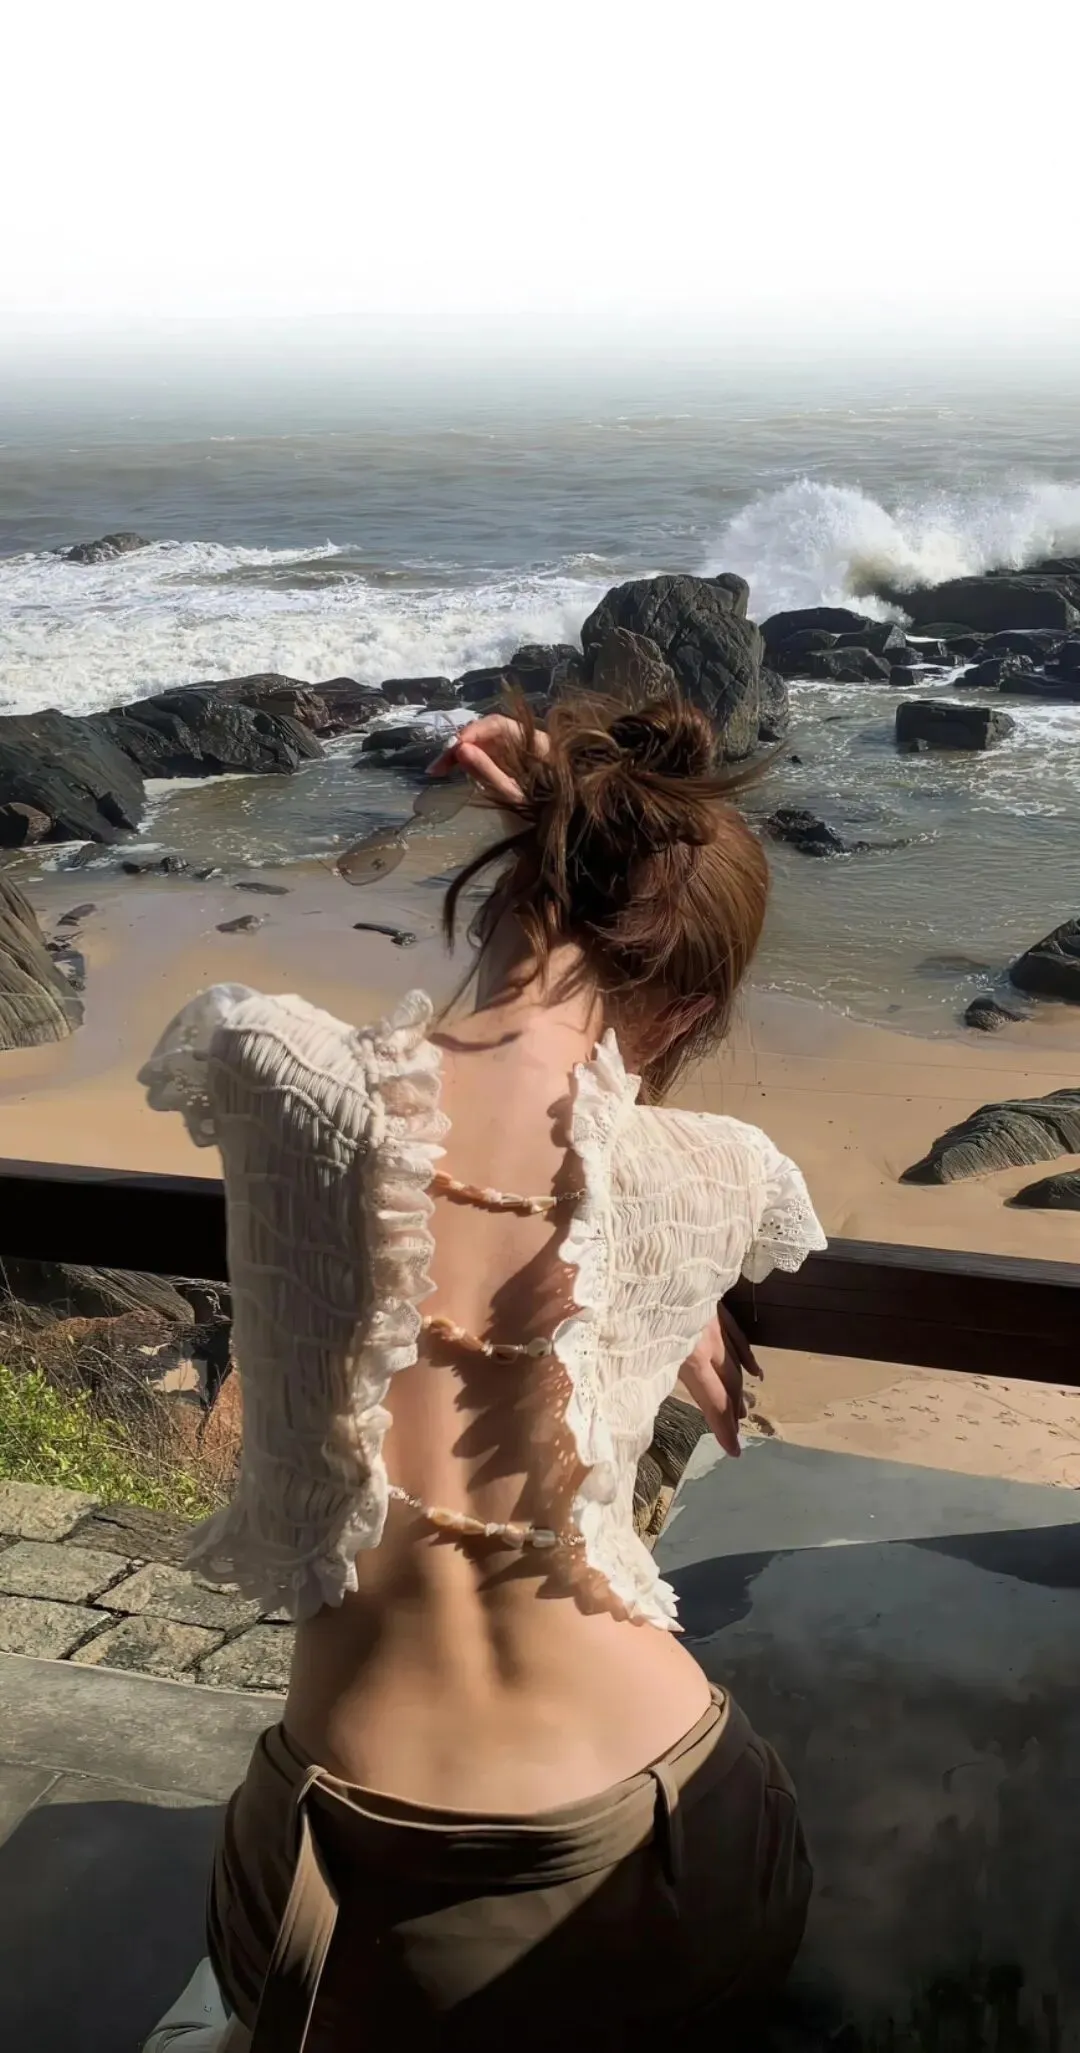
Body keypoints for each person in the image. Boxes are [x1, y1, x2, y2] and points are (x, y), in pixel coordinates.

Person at [141, 694, 825, 2052]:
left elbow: (478, 1105)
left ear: (514, 880)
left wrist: (548, 817)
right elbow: (608, 1183)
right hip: (672, 1832)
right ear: (690, 1005)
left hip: (346, 1889)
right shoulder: (718, 1178)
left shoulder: (278, 1071)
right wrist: (676, 1293)